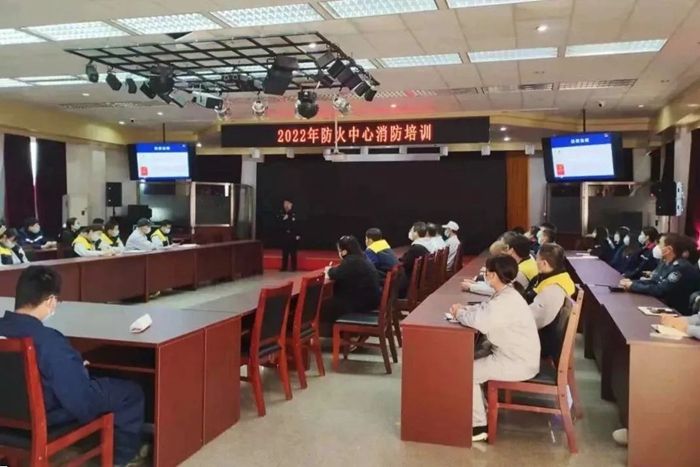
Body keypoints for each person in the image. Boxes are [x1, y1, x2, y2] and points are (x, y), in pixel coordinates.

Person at [0, 266, 147, 466]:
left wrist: (71, 366)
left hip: (7, 415)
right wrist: (79, 371)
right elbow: (81, 402)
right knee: (130, 392)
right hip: (44, 417)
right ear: (51, 301)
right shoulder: (48, 340)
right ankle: (121, 460)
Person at [449, 255, 540, 442]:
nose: (484, 273)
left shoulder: (506, 300)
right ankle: (480, 411)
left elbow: (481, 322)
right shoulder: (507, 293)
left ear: (492, 275)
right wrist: (465, 310)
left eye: (486, 271)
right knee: (471, 360)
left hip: (516, 362)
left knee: (468, 373)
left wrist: (459, 314)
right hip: (513, 355)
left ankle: (478, 427)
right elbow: (485, 310)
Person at [620, 233, 700, 315]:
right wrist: (632, 283)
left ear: (668, 249)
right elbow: (654, 281)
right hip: (662, 305)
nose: (657, 247)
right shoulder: (664, 262)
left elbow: (660, 290)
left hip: (678, 312)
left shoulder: (681, 268)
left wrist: (633, 286)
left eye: (660, 244)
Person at [322, 236, 381, 334]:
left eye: (339, 250)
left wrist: (329, 270)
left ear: (344, 251)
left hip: (362, 305)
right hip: (370, 300)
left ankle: (333, 334)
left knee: (321, 306)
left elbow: (334, 274)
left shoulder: (351, 261)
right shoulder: (363, 257)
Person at [528, 243, 576, 359]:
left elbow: (537, 319)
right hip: (540, 333)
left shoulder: (554, 288)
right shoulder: (558, 276)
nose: (535, 262)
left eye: (537, 259)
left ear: (544, 263)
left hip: (540, 341)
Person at [399, 222, 432, 297]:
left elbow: (405, 263)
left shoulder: (417, 248)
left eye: (411, 230)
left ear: (416, 233)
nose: (410, 233)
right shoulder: (425, 244)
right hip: (421, 279)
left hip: (411, 283)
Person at [278, 198, 299, 272]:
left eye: (287, 204)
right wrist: (284, 219)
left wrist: (298, 234)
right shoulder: (281, 213)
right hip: (284, 235)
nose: (286, 205)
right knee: (285, 252)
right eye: (285, 204)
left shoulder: (294, 213)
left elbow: (297, 224)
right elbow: (279, 224)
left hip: (292, 235)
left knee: (293, 252)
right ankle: (284, 267)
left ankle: (293, 267)